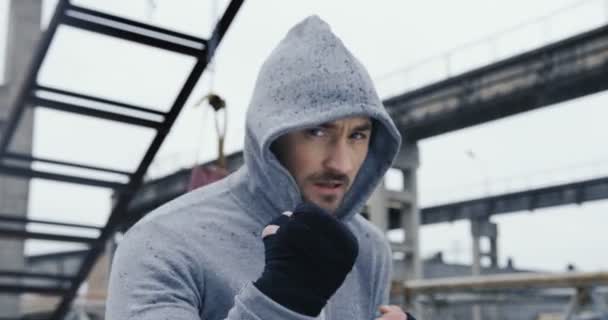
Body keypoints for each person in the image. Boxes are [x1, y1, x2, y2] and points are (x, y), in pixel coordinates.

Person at [106, 15, 414, 320]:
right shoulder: (160, 242)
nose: (342, 164)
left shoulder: (369, 248)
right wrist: (279, 303)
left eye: (358, 135)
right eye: (317, 132)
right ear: (270, 134)